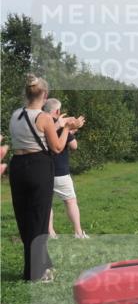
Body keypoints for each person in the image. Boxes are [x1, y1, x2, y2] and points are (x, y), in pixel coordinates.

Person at [7, 75, 85, 282]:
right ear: (45, 95)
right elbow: (58, 147)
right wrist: (67, 128)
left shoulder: (15, 115)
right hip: (38, 167)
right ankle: (37, 272)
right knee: (40, 220)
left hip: (17, 167)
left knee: (25, 219)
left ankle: (41, 266)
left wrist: (57, 123)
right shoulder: (43, 118)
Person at [42, 98, 88, 239]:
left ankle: (51, 233)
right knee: (70, 201)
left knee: (47, 204)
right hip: (60, 172)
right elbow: (74, 146)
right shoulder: (62, 127)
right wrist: (71, 131)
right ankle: (78, 232)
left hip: (43, 171)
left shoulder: (40, 124)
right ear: (57, 111)